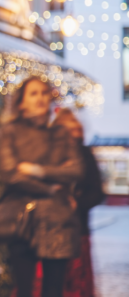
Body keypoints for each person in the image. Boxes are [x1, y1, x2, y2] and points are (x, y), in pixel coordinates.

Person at [0, 77, 83, 297]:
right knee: (23, 289)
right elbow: (10, 174)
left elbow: (76, 170)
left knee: (53, 291)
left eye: (44, 93)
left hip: (58, 222)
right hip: (22, 219)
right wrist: (53, 189)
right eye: (34, 93)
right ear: (22, 101)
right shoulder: (10, 132)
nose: (41, 98)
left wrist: (37, 170)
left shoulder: (61, 134)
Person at [53, 109, 105, 297]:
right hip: (50, 231)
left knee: (77, 284)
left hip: (77, 230)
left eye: (75, 130)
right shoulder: (50, 154)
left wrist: (76, 204)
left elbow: (97, 192)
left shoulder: (84, 154)